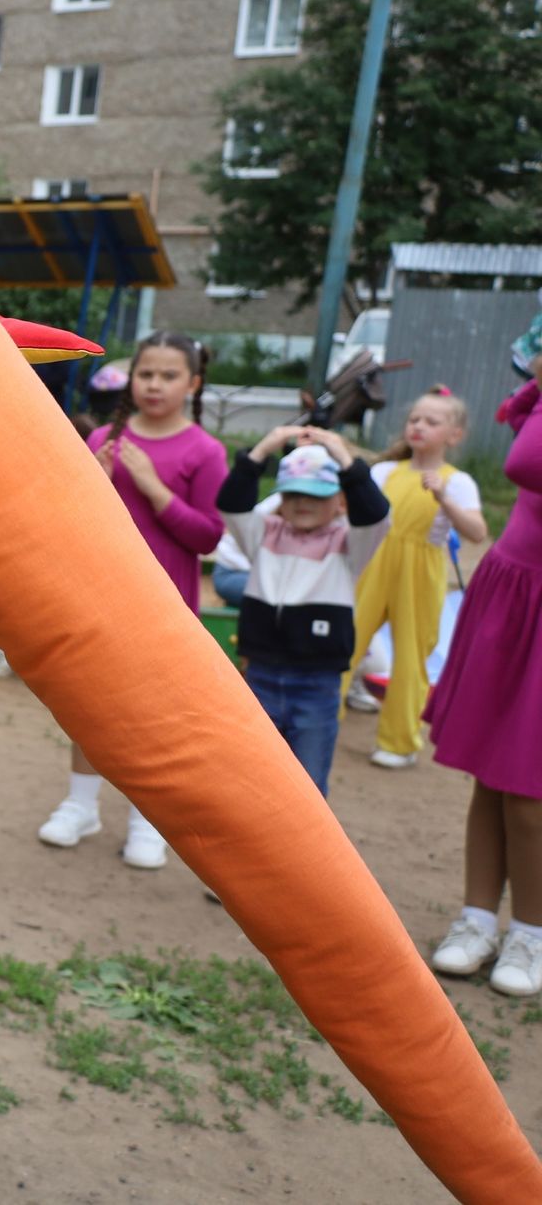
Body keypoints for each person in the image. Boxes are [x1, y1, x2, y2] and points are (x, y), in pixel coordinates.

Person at [37, 331, 227, 870]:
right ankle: (81, 804)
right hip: (100, 600)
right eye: (146, 374)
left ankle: (149, 822)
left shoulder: (205, 450)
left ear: (192, 383)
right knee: (88, 708)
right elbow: (77, 524)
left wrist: (152, 487)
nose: (155, 385)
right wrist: (91, 488)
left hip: (165, 610)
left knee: (157, 721)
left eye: (169, 376)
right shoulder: (102, 438)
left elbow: (207, 536)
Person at [424, 363, 542, 997]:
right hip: (512, 589)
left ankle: (531, 930)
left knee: (530, 790)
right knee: (491, 780)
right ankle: (475, 920)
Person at [216, 431, 390, 796]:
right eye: (293, 493)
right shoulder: (263, 533)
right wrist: (265, 446)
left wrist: (340, 453)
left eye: (316, 494)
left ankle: (302, 852)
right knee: (253, 776)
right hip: (261, 675)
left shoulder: (349, 544)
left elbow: (375, 512)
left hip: (317, 684)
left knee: (307, 785)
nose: (302, 502)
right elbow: (231, 502)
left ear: (340, 501)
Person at [349, 388, 488, 770]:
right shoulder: (383, 471)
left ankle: (399, 741)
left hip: (421, 572)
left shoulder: (456, 481)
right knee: (347, 640)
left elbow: (477, 532)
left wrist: (444, 499)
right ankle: (324, 717)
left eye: (432, 421)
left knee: (411, 656)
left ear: (454, 435)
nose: (419, 426)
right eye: (415, 419)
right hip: (375, 563)